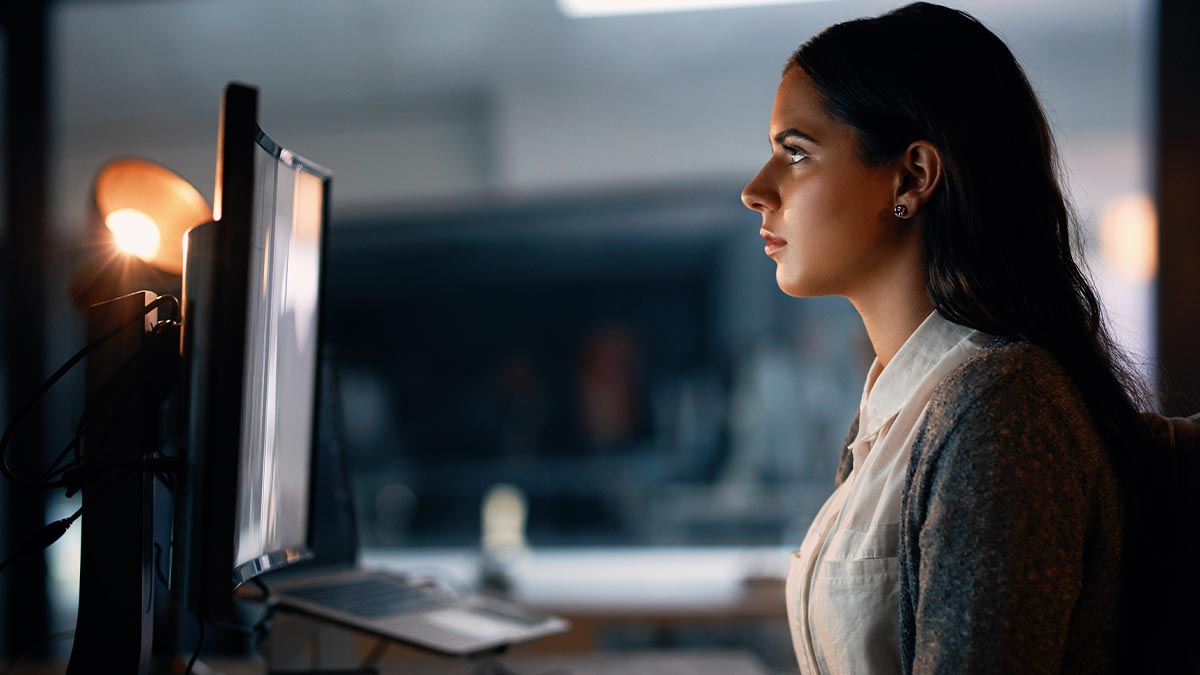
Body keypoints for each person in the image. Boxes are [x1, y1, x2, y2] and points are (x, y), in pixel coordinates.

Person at [739, 3, 1164, 673]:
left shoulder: (998, 406)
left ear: (911, 175)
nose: (755, 191)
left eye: (796, 152)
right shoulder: (901, 406)